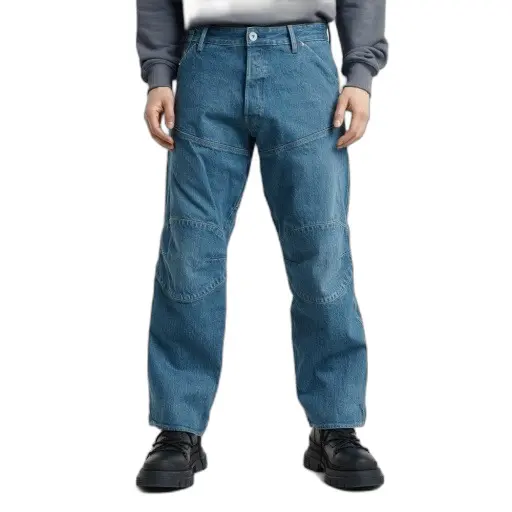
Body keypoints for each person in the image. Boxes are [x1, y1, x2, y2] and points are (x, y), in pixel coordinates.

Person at [135, 0, 388, 492]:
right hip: (206, 64)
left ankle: (335, 423)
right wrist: (159, 73)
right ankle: (179, 428)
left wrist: (360, 73)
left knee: (321, 253)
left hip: (303, 63)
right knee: (189, 254)